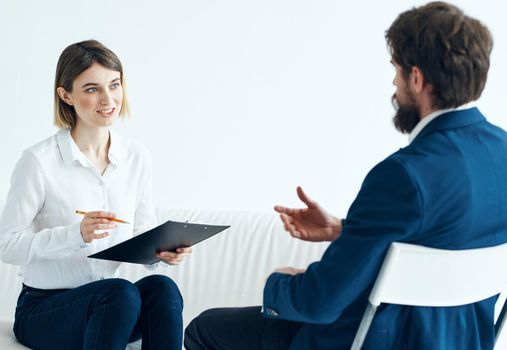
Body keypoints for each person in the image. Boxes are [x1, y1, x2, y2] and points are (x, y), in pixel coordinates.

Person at [184, 2, 507, 349]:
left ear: (416, 78)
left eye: (396, 71)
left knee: (204, 328)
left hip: (379, 338)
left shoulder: (404, 175)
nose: (394, 84)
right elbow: (438, 240)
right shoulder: (501, 151)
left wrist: (277, 283)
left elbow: (319, 303)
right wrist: (343, 230)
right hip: (465, 340)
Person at [0, 40, 192, 350]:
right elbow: (6, 245)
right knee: (120, 293)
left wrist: (161, 253)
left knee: (162, 288)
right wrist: (74, 234)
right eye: (92, 89)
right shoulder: (38, 161)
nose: (108, 99)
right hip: (44, 311)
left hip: (111, 308)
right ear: (66, 95)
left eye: (114, 85)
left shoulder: (136, 156)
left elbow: (143, 229)